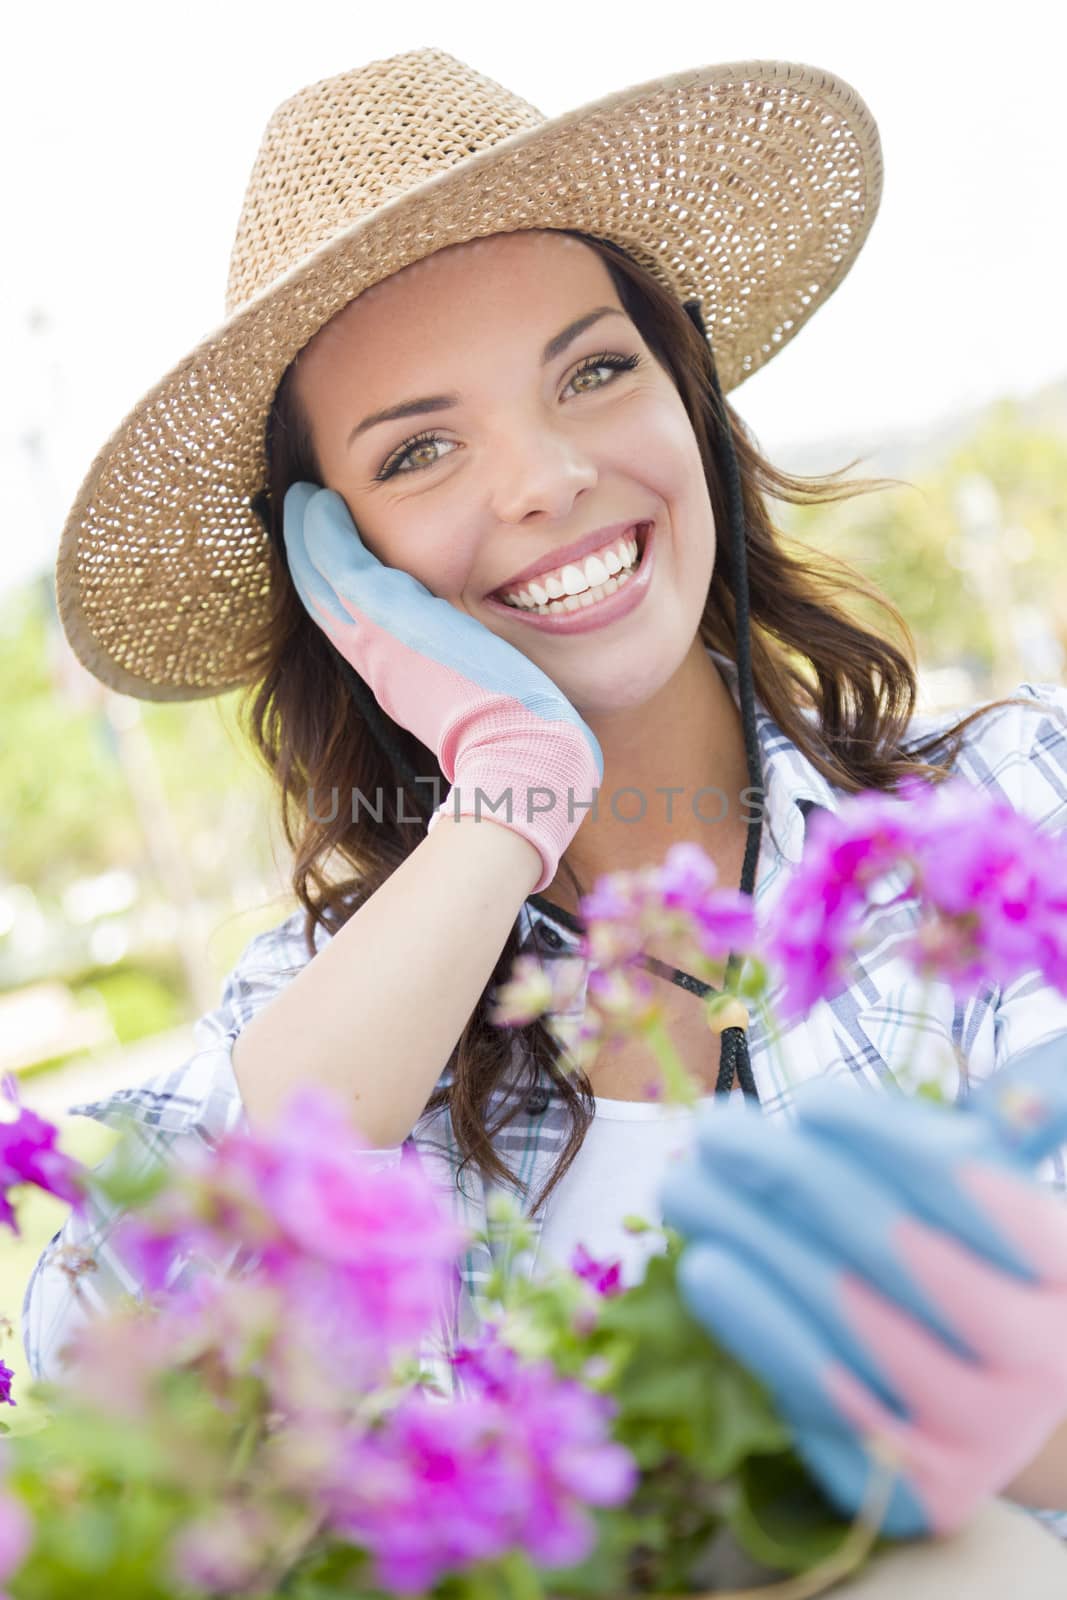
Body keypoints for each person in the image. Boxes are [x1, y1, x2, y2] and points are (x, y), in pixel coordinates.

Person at [24, 46, 1067, 1567]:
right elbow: (92, 1370)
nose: (547, 480)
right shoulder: (333, 1020)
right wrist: (508, 793)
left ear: (686, 390)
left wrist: (1011, 1410)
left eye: (593, 370)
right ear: (337, 564)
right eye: (421, 450)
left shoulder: (1002, 817)